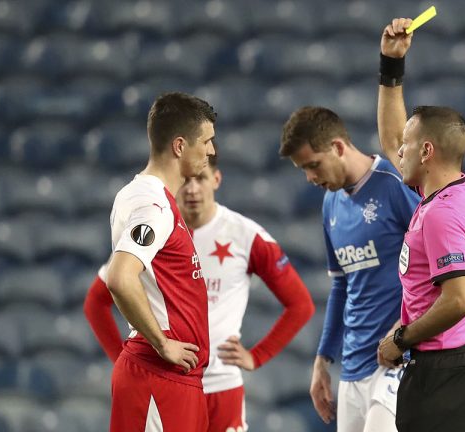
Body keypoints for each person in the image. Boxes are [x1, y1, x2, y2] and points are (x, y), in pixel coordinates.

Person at [85, 154, 316, 431]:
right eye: (187, 181)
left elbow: (301, 304)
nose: (193, 189)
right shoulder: (157, 228)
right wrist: (122, 357)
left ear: (216, 180)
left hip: (221, 387)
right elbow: (96, 302)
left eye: (202, 179)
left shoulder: (245, 234)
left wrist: (257, 355)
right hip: (166, 379)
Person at [375, 18, 465, 432]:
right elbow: (396, 138)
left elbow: (459, 298)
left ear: (427, 151)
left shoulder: (442, 213)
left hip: (444, 375)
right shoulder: (463, 193)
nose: (398, 152)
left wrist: (401, 337)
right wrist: (391, 67)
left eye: (408, 148)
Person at [279, 106, 420, 432]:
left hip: (398, 359)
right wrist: (323, 359)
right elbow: (342, 286)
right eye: (303, 170)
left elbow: (432, 266)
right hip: (353, 365)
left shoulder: (395, 184)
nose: (311, 178)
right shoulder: (331, 203)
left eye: (313, 165)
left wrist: (404, 329)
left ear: (339, 146)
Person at [105, 92, 216, 431]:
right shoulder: (154, 207)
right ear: (180, 145)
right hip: (158, 380)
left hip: (173, 382)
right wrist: (161, 342)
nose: (211, 151)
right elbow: (120, 277)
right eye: (207, 141)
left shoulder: (141, 196)